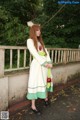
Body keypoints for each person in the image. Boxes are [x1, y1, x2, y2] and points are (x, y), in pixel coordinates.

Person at [26, 21, 53, 115]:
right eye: (37, 30)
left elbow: (46, 53)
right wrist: (45, 63)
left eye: (39, 30)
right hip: (37, 66)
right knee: (34, 83)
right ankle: (33, 106)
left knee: (44, 82)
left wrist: (49, 62)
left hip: (45, 66)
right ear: (33, 31)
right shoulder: (30, 41)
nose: (39, 32)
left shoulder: (40, 41)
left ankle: (45, 99)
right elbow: (35, 53)